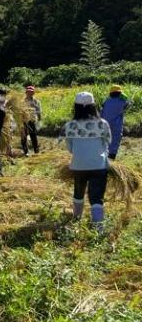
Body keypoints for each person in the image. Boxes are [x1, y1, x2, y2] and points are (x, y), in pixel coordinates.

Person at [64, 92, 111, 230]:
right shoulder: (102, 124)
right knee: (96, 197)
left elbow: (70, 148)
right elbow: (107, 142)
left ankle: (76, 219)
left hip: (78, 165)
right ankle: (98, 227)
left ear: (76, 107)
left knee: (78, 192)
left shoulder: (70, 125)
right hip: (99, 165)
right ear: (93, 106)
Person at [101, 85, 130, 160]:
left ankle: (104, 156)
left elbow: (102, 110)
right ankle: (112, 157)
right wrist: (125, 97)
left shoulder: (106, 102)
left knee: (105, 140)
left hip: (105, 124)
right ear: (120, 93)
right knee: (115, 140)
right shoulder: (122, 102)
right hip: (116, 125)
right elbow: (129, 104)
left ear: (110, 93)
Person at [21, 85, 42, 155]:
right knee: (24, 136)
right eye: (28, 92)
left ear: (33, 93)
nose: (30, 93)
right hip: (23, 121)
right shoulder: (22, 101)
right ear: (26, 92)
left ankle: (36, 151)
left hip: (32, 121)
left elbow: (38, 111)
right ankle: (25, 151)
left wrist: (39, 120)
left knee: (33, 136)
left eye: (31, 92)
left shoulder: (36, 101)